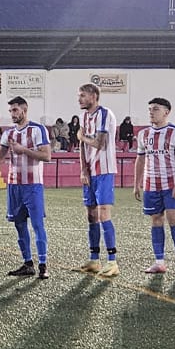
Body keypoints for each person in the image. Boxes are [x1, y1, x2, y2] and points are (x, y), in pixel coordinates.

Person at [0, 96, 52, 279]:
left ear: (24, 109)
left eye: (15, 110)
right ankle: (28, 263)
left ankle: (43, 266)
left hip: (33, 186)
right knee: (19, 225)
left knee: (38, 225)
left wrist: (24, 150)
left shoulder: (37, 129)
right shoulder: (8, 133)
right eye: (10, 111)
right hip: (14, 186)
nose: (12, 114)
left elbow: (47, 156)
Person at [134, 98, 175, 275]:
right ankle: (159, 262)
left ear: (166, 112)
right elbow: (140, 158)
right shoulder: (143, 134)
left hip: (171, 183)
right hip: (151, 185)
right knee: (156, 220)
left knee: (174, 219)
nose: (151, 112)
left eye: (156, 109)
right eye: (150, 109)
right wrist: (137, 183)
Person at [74, 83, 120, 277]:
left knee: (103, 214)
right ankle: (94, 259)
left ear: (93, 96)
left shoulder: (105, 114)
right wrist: (83, 170)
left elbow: (100, 144)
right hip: (90, 172)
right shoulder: (85, 116)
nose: (79, 99)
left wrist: (82, 137)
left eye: (82, 95)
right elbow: (82, 146)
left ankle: (112, 261)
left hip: (105, 170)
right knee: (91, 215)